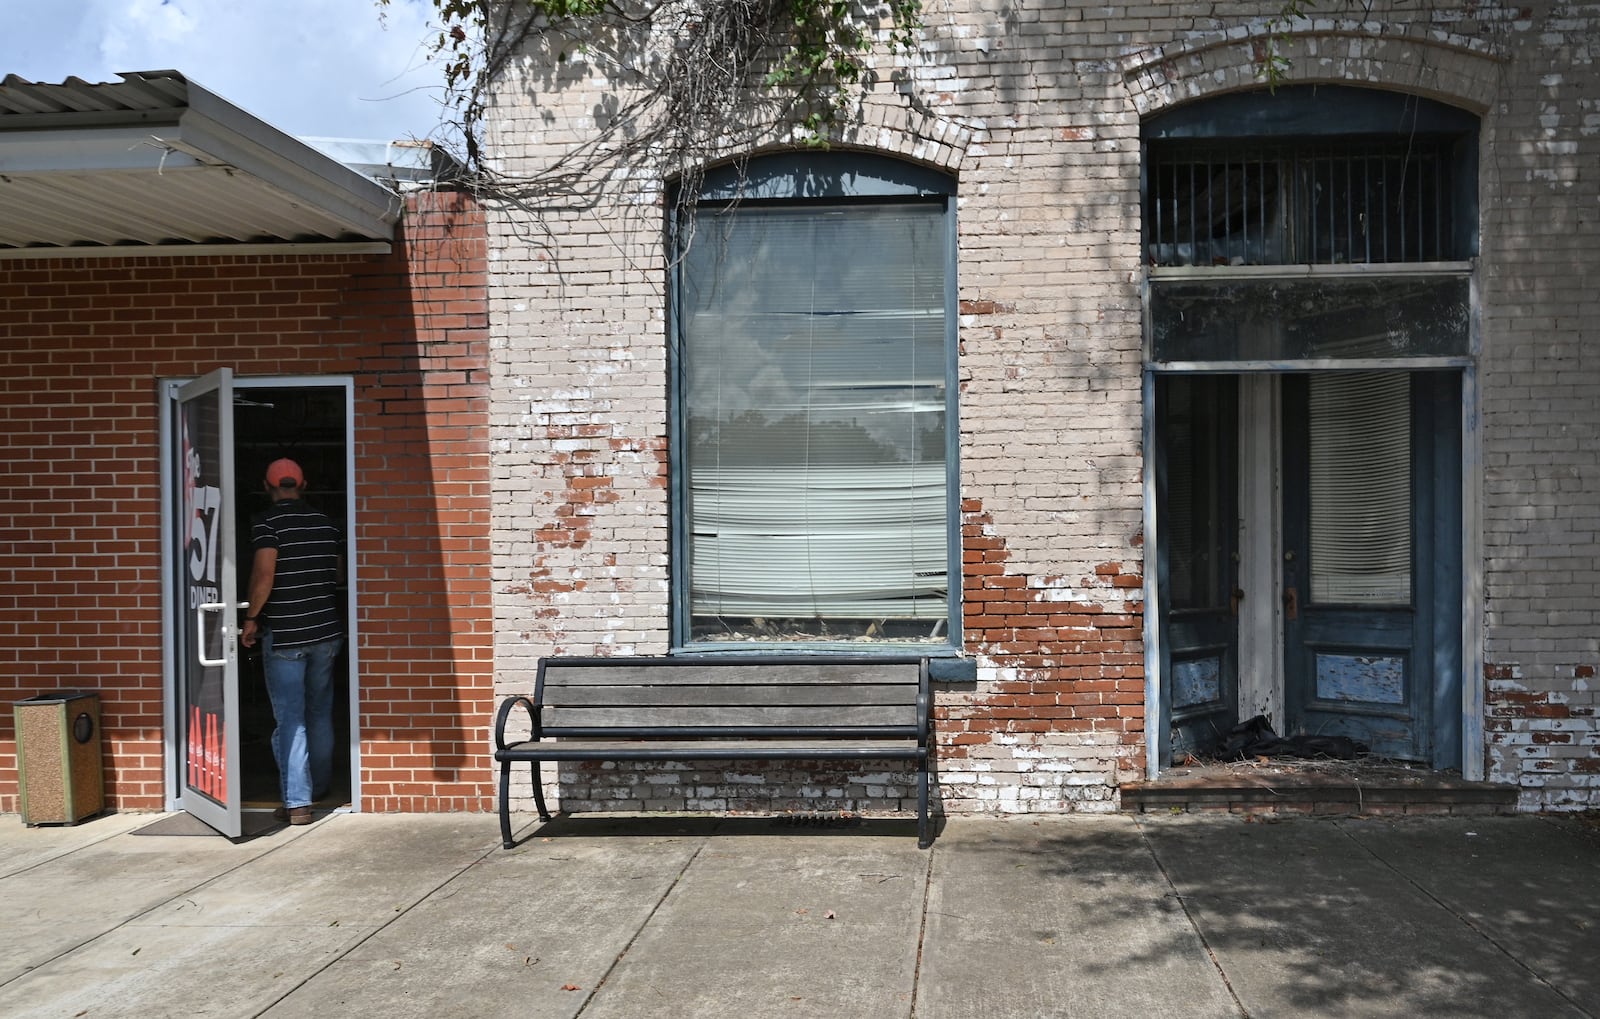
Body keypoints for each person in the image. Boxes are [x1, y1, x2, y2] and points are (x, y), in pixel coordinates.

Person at [240, 458, 344, 826]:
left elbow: (265, 573)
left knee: (291, 719)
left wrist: (251, 617)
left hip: (285, 635)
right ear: (305, 484)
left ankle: (298, 802)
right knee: (318, 713)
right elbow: (338, 573)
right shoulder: (326, 523)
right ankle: (317, 789)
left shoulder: (267, 523)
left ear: (267, 486)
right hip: (326, 632)